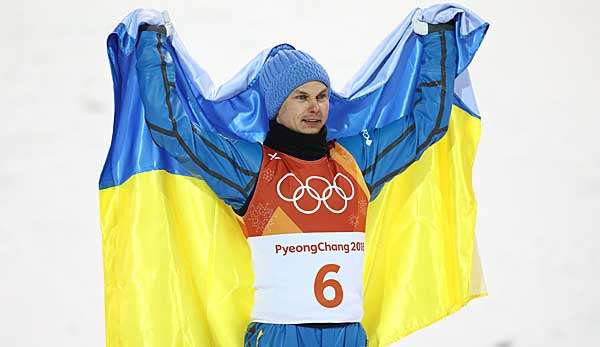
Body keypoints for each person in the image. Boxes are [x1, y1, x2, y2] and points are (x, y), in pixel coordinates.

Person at [135, 15, 457, 347]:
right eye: (300, 97)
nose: (314, 107)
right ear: (276, 105)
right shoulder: (253, 169)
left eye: (321, 96)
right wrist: (152, 42)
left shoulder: (355, 162)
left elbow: (427, 126)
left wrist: (438, 36)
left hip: (347, 336)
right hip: (281, 335)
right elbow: (173, 130)